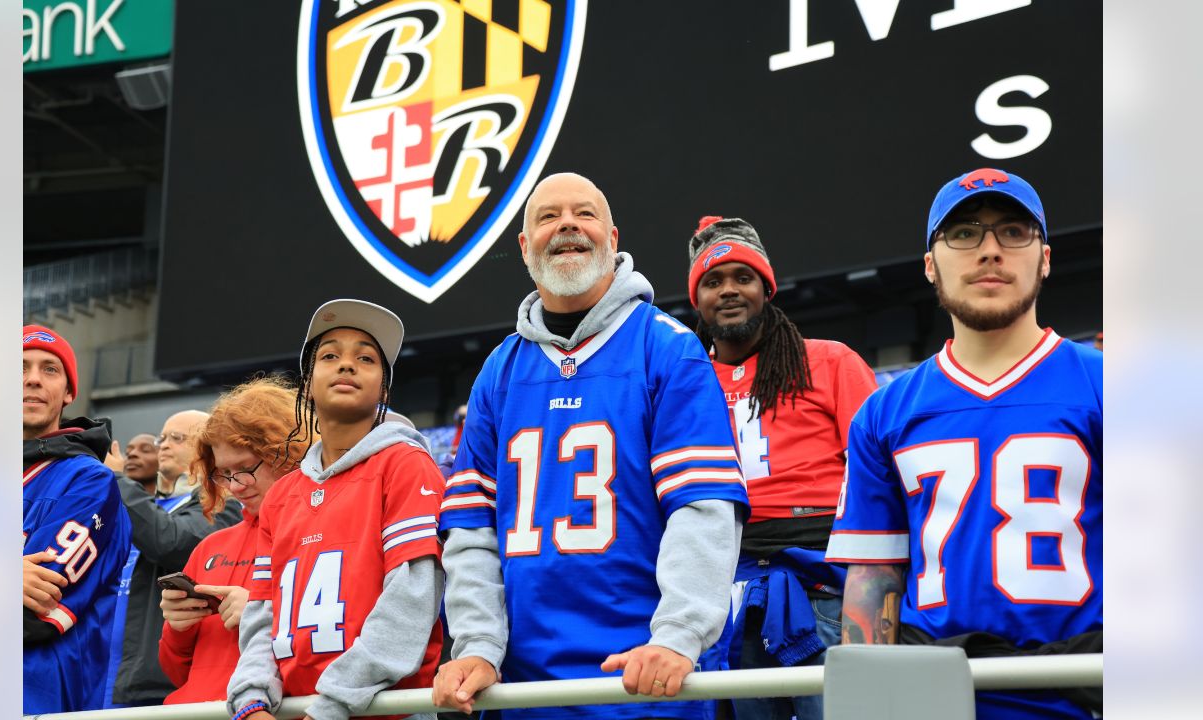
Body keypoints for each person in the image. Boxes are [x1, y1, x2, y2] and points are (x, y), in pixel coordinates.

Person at [434, 173, 750, 720]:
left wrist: (678, 634)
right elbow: (470, 532)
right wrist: (479, 646)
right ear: (525, 244)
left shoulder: (667, 349)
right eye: (548, 216)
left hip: (646, 680)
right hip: (522, 692)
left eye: (584, 213)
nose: (567, 226)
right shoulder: (499, 372)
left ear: (612, 235)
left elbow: (703, 511)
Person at [827, 168, 1102, 719]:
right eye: (965, 233)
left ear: (1044, 258)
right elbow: (873, 573)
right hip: (932, 696)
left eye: (1014, 232)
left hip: (1083, 687)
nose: (991, 251)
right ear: (931, 265)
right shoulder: (884, 411)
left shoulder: (1112, 386)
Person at [687, 216, 878, 720]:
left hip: (824, 588)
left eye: (742, 278)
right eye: (712, 281)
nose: (728, 291)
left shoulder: (831, 361)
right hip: (722, 595)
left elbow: (876, 476)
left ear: (766, 287)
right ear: (697, 299)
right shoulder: (683, 383)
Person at [227, 299, 445, 720]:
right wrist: (252, 699)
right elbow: (262, 612)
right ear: (307, 384)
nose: (347, 365)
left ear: (385, 389)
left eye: (365, 358)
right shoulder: (281, 495)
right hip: (292, 710)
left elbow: (412, 599)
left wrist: (333, 705)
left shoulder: (405, 464)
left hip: (388, 712)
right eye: (330, 356)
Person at [158, 378, 314, 704]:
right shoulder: (210, 548)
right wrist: (178, 628)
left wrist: (264, 615)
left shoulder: (325, 534)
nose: (236, 486)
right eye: (223, 474)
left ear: (289, 451)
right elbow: (176, 672)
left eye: (245, 468)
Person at [22, 325, 133, 713]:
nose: (32, 378)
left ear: (69, 392)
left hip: (36, 696)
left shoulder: (89, 479)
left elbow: (30, 615)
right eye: (18, 368)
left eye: (50, 369)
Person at [110, 410, 243, 707]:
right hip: (107, 673)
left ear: (207, 449)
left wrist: (116, 479)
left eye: (178, 438)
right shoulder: (148, 504)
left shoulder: (221, 503)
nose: (164, 445)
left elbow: (168, 541)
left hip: (155, 684)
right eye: (162, 438)